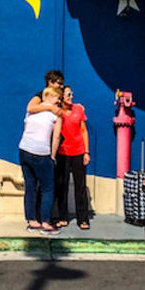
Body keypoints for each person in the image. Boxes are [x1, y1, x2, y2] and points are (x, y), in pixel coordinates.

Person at [19, 84, 63, 233]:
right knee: (48, 188)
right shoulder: (56, 114)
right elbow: (56, 137)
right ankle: (45, 223)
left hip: (24, 149)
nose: (59, 101)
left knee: (30, 186)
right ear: (49, 97)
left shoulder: (32, 110)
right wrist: (52, 156)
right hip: (41, 153)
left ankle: (32, 221)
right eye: (57, 97)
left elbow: (27, 126)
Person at [52, 85, 91, 230]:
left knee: (80, 187)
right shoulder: (57, 112)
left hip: (78, 152)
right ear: (61, 96)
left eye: (72, 94)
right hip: (63, 154)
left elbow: (84, 131)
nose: (71, 96)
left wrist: (86, 152)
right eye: (68, 94)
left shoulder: (79, 109)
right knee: (62, 185)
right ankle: (63, 216)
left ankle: (83, 218)